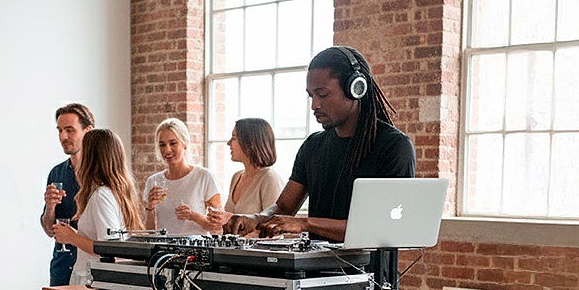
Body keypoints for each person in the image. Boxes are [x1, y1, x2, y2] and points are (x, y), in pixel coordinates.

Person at [223, 46, 416, 242]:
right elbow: (283, 207)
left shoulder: (394, 146)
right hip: (318, 263)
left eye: (322, 94)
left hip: (369, 263)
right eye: (311, 96)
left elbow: (386, 226)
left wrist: (306, 223)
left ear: (356, 89)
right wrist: (255, 218)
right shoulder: (313, 146)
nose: (315, 105)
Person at [50, 127, 145, 286]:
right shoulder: (114, 193)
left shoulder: (102, 195)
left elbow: (109, 249)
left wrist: (72, 238)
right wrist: (75, 234)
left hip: (91, 282)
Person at [195, 117, 284, 233]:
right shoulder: (236, 177)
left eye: (233, 138)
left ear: (250, 143)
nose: (228, 143)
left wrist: (231, 218)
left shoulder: (269, 179)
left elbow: (275, 230)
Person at [42, 104, 95, 287]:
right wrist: (50, 208)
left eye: (70, 130)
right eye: (60, 130)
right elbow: (49, 230)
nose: (63, 137)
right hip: (61, 270)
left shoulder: (100, 175)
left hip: (91, 273)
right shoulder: (56, 173)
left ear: (88, 131)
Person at [142, 117, 222, 236]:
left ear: (184, 143)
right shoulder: (153, 181)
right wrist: (150, 207)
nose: (167, 150)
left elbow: (218, 227)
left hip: (195, 246)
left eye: (173, 143)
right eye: (162, 145)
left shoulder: (203, 177)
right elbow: (150, 232)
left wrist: (192, 216)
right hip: (163, 246)